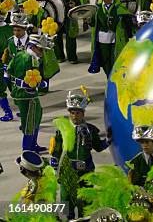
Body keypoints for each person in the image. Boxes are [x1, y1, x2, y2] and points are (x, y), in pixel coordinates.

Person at [50, 90, 111, 219]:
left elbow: (98, 147)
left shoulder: (90, 130)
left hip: (86, 171)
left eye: (78, 113)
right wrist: (56, 166)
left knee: (86, 203)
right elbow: (56, 151)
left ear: (83, 113)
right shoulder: (62, 130)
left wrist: (108, 141)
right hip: (67, 172)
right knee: (67, 203)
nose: (75, 116)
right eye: (72, 113)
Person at [6, 32, 55, 152]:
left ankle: (33, 145)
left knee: (35, 117)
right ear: (33, 47)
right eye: (41, 49)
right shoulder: (32, 59)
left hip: (19, 93)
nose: (42, 52)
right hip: (27, 94)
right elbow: (33, 80)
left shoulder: (19, 54)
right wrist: (41, 84)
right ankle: (27, 149)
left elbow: (9, 70)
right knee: (30, 120)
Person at [88, 0, 131, 77]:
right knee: (105, 61)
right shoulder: (97, 9)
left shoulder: (119, 8)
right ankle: (109, 77)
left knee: (115, 60)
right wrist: (87, 20)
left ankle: (114, 78)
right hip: (102, 40)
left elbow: (128, 22)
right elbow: (93, 24)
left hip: (115, 40)